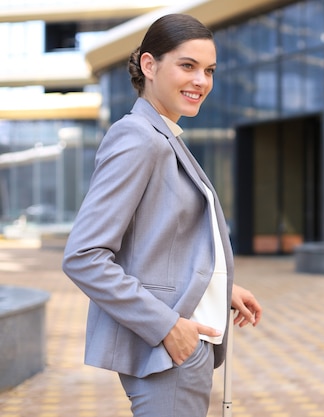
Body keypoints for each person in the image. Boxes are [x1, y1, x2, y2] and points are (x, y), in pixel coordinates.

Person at [62, 13, 262, 417]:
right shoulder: (138, 138)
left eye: (209, 70)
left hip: (183, 341)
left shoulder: (163, 136)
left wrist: (220, 287)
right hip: (170, 347)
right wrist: (167, 327)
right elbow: (84, 256)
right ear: (150, 66)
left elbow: (159, 241)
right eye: (187, 66)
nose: (201, 81)